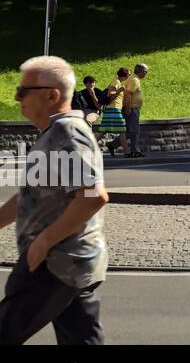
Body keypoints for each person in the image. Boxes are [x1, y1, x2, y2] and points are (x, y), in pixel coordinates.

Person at [0, 56, 110, 344]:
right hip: (73, 262)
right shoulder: (52, 134)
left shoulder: (67, 132)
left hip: (54, 263)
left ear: (52, 95)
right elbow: (31, 195)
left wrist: (43, 241)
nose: (16, 97)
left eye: (24, 91)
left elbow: (92, 196)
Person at [120, 63, 148, 158]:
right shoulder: (134, 80)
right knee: (134, 130)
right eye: (145, 72)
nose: (146, 74)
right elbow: (128, 94)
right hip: (132, 108)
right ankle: (135, 151)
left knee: (130, 130)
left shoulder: (133, 78)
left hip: (132, 107)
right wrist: (128, 108)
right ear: (140, 71)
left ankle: (112, 144)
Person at [102, 68, 130, 156]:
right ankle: (127, 152)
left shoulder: (117, 82)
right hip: (114, 109)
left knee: (103, 130)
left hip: (112, 109)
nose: (129, 76)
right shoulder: (116, 82)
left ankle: (87, 147)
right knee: (121, 130)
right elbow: (110, 94)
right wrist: (119, 91)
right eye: (128, 75)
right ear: (124, 75)